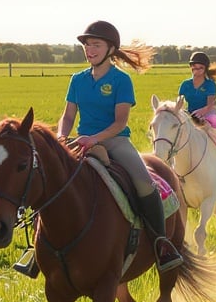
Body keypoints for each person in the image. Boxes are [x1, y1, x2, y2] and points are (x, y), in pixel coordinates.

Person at [54, 20, 183, 274]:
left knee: (145, 184)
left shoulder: (121, 80)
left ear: (110, 49)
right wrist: (61, 137)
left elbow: (120, 121)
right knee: (51, 179)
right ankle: (40, 250)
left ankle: (161, 243)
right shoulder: (77, 80)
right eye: (87, 45)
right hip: (81, 140)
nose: (90, 50)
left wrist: (94, 139)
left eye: (96, 45)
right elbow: (68, 116)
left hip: (114, 141)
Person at [178, 51, 216, 167]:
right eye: (194, 67)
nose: (196, 70)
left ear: (205, 69)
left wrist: (201, 112)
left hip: (207, 112)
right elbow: (180, 101)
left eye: (200, 68)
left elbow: (210, 104)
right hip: (190, 113)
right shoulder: (185, 84)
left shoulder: (210, 84)